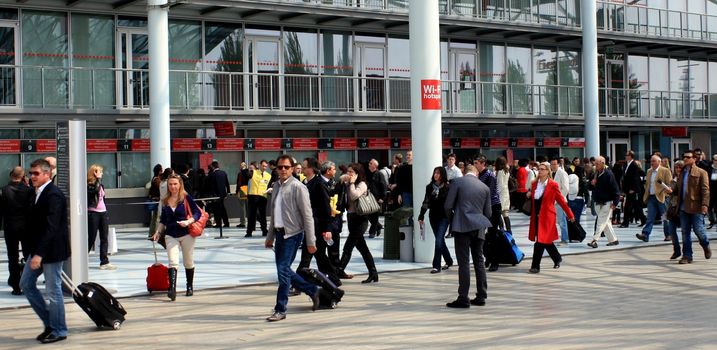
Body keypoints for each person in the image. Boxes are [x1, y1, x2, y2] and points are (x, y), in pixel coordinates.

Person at [264, 155, 320, 322]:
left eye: (286, 167)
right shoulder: (276, 187)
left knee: (282, 272)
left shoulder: (298, 187)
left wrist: (311, 241)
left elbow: (307, 216)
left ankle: (280, 309)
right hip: (280, 234)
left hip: (293, 235)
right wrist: (270, 237)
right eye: (280, 167)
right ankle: (312, 290)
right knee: (285, 270)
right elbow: (274, 215)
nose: (282, 170)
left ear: (293, 169)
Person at [20, 159, 69, 344]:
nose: (32, 176)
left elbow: (52, 227)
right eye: (30, 173)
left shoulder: (54, 195)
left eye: (36, 173)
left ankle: (59, 330)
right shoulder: (36, 193)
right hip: (38, 249)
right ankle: (51, 323)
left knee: (53, 290)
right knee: (26, 284)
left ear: (47, 174)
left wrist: (39, 254)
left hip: (52, 251)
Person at [443, 164, 492, 308]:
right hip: (479, 228)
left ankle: (463, 297)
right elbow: (488, 213)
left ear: (465, 172)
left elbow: (447, 206)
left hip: (462, 226)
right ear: (476, 174)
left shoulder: (457, 182)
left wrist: (453, 220)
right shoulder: (485, 187)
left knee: (463, 262)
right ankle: (481, 295)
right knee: (479, 261)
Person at [152, 174, 202, 301]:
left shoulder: (185, 197)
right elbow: (163, 219)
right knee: (173, 262)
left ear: (180, 184)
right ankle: (172, 289)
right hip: (171, 234)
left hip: (186, 234)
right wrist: (158, 232)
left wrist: (188, 221)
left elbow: (197, 213)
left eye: (175, 184)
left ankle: (189, 286)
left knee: (188, 261)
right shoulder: (165, 200)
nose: (173, 187)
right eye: (170, 184)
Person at [296, 158, 340, 285]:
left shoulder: (319, 184)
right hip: (311, 224)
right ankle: (333, 279)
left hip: (317, 225)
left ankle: (298, 283)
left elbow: (326, 208)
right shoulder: (306, 182)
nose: (302, 169)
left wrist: (327, 229)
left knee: (306, 256)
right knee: (320, 255)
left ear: (311, 169)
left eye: (304, 167)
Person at [526, 162, 575, 273]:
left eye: (543, 169)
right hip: (536, 217)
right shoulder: (534, 184)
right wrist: (528, 194)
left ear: (548, 171)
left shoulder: (553, 185)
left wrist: (570, 214)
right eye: (539, 169)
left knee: (540, 241)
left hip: (548, 217)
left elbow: (562, 201)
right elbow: (532, 197)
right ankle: (557, 258)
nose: (540, 171)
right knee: (546, 241)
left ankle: (535, 266)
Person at [339, 163, 379, 284]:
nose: (349, 174)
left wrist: (351, 183)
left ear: (357, 174)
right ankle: (373, 273)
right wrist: (344, 180)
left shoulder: (362, 184)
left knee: (348, 246)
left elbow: (354, 196)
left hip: (361, 219)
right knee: (363, 248)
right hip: (351, 218)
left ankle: (339, 270)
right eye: (348, 171)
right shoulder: (348, 183)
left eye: (352, 172)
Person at [674, 150, 712, 264]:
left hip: (696, 207)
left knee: (698, 230)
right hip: (683, 207)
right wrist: (671, 191)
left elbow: (705, 190)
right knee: (685, 232)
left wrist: (705, 205)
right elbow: (678, 189)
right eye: (684, 157)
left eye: (688, 157)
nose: (685, 159)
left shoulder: (701, 172)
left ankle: (705, 244)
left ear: (694, 159)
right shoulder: (682, 173)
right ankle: (687, 256)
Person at [1, 166, 34, 295]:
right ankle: (28, 282)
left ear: (10, 175)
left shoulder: (3, 191)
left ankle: (15, 285)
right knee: (28, 256)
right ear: (23, 176)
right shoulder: (29, 191)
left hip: (10, 227)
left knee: (12, 256)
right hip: (26, 228)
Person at [418, 166, 453, 274]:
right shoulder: (430, 187)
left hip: (444, 217)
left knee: (438, 241)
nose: (436, 175)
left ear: (442, 175)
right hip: (433, 217)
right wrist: (421, 215)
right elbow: (426, 202)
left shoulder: (447, 187)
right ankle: (449, 260)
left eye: (438, 173)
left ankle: (436, 266)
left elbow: (450, 203)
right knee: (440, 241)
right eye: (435, 173)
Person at [474, 156, 502, 272]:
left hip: (492, 207)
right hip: (482, 208)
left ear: (483, 163)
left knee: (492, 234)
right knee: (481, 235)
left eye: (477, 163)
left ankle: (494, 261)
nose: (475, 165)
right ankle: (488, 258)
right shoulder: (477, 175)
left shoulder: (490, 175)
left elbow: (488, 193)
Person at [635, 155, 672, 243]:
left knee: (665, 217)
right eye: (651, 161)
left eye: (654, 161)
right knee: (650, 217)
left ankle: (669, 234)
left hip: (662, 197)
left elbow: (670, 184)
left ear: (659, 162)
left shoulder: (665, 171)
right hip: (651, 197)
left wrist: (666, 193)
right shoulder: (649, 171)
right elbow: (647, 184)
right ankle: (645, 235)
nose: (652, 163)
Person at [587, 156, 621, 249]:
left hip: (607, 202)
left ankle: (594, 240)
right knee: (605, 223)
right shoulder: (596, 174)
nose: (596, 166)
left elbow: (615, 189)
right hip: (598, 201)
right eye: (595, 164)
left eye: (597, 164)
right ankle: (613, 240)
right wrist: (592, 183)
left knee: (600, 222)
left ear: (603, 163)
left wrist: (615, 202)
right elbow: (590, 187)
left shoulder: (609, 174)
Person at [87, 164, 115, 270]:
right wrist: (98, 180)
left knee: (104, 237)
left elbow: (102, 198)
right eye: (100, 171)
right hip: (93, 213)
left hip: (103, 212)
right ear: (94, 173)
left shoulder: (101, 184)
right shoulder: (89, 185)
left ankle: (104, 261)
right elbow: (94, 191)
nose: (102, 173)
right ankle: (83, 259)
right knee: (91, 238)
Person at [620, 150, 646, 227]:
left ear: (630, 156)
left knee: (631, 206)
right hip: (628, 189)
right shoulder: (625, 164)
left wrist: (633, 188)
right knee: (633, 206)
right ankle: (642, 219)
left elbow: (635, 178)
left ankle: (626, 223)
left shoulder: (634, 165)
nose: (625, 156)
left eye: (627, 155)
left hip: (633, 190)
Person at [246, 160, 271, 237]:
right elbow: (247, 175)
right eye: (263, 166)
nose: (264, 167)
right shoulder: (254, 172)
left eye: (266, 166)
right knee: (251, 215)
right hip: (253, 195)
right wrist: (247, 169)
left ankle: (264, 230)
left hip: (263, 196)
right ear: (260, 165)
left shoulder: (268, 175)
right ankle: (249, 232)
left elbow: (269, 185)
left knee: (263, 215)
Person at [665, 161, 684, 260]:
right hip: (673, 208)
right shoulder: (673, 180)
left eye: (680, 167)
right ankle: (676, 250)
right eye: (676, 168)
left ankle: (686, 252)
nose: (678, 170)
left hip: (683, 208)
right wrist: (668, 191)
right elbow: (671, 194)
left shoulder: (686, 179)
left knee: (685, 231)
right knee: (672, 230)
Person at [550, 158, 570, 244]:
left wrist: (558, 199)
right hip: (552, 201)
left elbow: (565, 188)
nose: (553, 166)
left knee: (562, 221)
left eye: (555, 164)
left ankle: (565, 239)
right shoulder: (551, 173)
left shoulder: (562, 173)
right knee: (553, 221)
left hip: (560, 201)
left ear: (559, 164)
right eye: (552, 164)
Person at [366, 159, 385, 238]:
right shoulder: (368, 174)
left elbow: (383, 186)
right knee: (368, 214)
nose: (369, 164)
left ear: (375, 166)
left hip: (376, 198)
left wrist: (382, 197)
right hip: (367, 197)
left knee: (374, 215)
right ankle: (379, 225)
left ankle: (372, 232)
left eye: (371, 163)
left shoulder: (379, 174)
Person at [210, 161, 231, 228]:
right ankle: (226, 222)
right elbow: (227, 183)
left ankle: (218, 223)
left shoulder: (213, 174)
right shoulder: (223, 173)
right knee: (222, 208)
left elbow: (212, 186)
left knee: (216, 209)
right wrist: (228, 192)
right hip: (223, 194)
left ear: (213, 166)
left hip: (216, 195)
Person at [494, 156, 512, 231]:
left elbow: (500, 185)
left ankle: (502, 230)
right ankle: (509, 231)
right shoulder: (506, 171)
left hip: (500, 195)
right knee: (505, 214)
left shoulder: (500, 172)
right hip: (506, 194)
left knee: (498, 214)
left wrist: (495, 194)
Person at [235, 162, 249, 228]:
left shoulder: (242, 173)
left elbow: (239, 183)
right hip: (247, 190)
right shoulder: (248, 172)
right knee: (247, 207)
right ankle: (248, 221)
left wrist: (237, 191)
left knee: (243, 207)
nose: (240, 166)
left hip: (243, 189)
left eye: (242, 165)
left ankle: (243, 222)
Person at [707, 154, 717, 229]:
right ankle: (711, 220)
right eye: (716, 160)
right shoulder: (709, 168)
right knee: (709, 207)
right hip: (710, 190)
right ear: (713, 160)